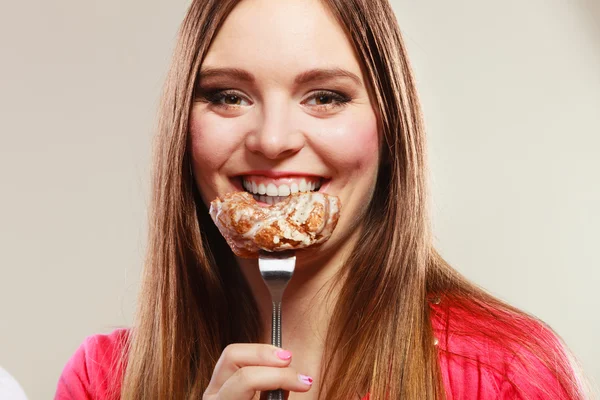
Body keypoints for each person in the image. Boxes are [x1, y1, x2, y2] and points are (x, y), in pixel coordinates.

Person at [55, 0, 588, 399]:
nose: (272, 139)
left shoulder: (506, 371)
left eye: (325, 97)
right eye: (228, 96)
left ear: (389, 126)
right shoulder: (102, 381)